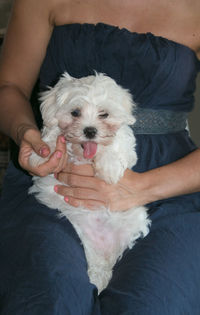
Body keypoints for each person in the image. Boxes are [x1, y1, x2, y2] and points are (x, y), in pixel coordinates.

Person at [0, 0, 200, 313]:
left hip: (170, 186)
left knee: (154, 303)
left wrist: (141, 187)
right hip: (55, 181)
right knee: (51, 297)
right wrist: (27, 133)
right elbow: (9, 86)